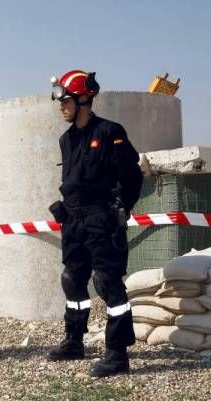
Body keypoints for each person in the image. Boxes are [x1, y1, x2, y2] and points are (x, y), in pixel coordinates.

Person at [47, 70, 143, 377]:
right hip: (73, 221)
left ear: (83, 99)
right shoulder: (66, 139)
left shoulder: (110, 132)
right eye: (59, 101)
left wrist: (120, 209)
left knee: (107, 283)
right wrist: (65, 207)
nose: (60, 106)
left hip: (101, 221)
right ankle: (74, 340)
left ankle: (117, 354)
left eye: (64, 100)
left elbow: (133, 176)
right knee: (72, 280)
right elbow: (75, 182)